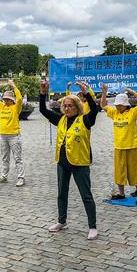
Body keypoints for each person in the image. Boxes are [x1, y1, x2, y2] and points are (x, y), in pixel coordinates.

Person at [39, 80, 99, 240]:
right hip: (63, 162)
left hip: (80, 163)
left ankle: (92, 226)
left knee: (86, 195)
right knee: (61, 193)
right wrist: (42, 93)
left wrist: (86, 93)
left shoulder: (86, 120)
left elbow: (95, 110)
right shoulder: (60, 119)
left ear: (77, 107)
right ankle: (61, 221)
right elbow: (43, 110)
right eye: (65, 105)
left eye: (70, 105)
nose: (66, 108)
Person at [100, 85, 137, 205]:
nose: (117, 106)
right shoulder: (114, 113)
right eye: (117, 104)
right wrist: (104, 92)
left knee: (135, 171)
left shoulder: (133, 112)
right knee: (119, 171)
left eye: (120, 104)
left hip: (132, 147)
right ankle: (121, 194)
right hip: (119, 147)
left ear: (126, 104)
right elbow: (103, 105)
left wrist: (132, 92)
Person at [0, 79, 25, 187]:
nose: (5, 100)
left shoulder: (16, 108)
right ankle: (4, 176)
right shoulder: (2, 107)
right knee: (4, 158)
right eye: (4, 99)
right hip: (3, 136)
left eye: (7, 99)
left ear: (12, 100)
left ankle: (21, 177)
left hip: (14, 136)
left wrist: (13, 86)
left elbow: (19, 99)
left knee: (17, 158)